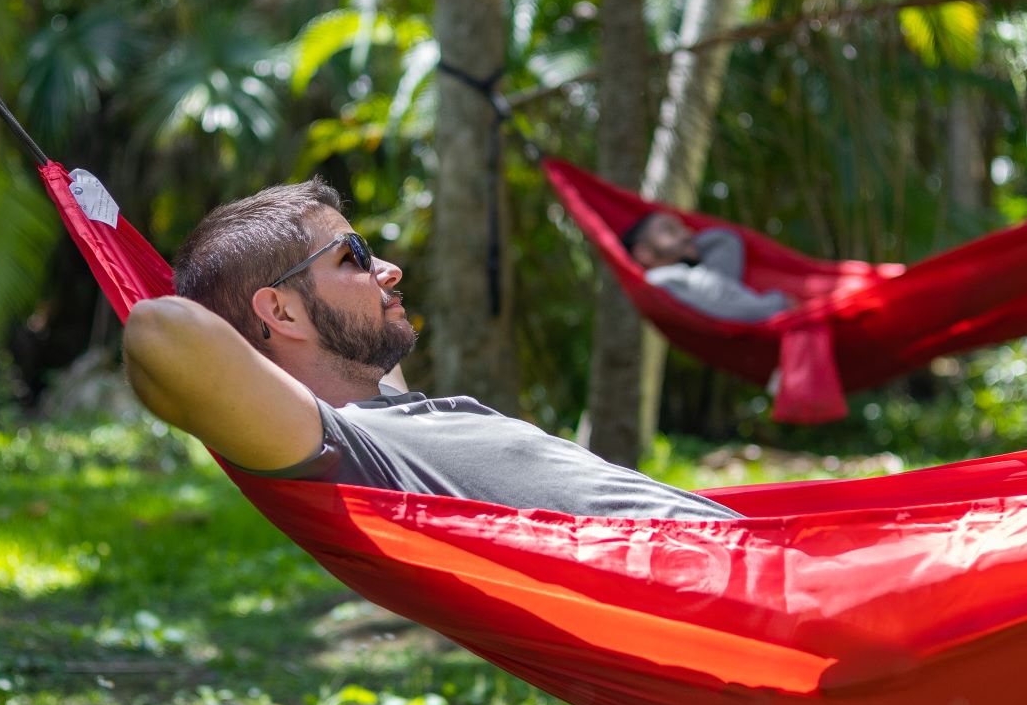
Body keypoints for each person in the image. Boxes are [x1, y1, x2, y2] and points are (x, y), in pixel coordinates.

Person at [122, 179, 736, 520]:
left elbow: (368, 343)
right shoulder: (344, 445)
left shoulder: (385, 409)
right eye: (354, 257)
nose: (387, 269)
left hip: (759, 557)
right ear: (279, 310)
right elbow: (159, 330)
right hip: (753, 592)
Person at [621, 212, 792, 323]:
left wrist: (688, 247)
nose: (688, 233)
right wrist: (780, 303)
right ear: (643, 253)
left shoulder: (692, 276)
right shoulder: (663, 280)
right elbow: (737, 312)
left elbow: (726, 241)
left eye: (684, 228)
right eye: (671, 230)